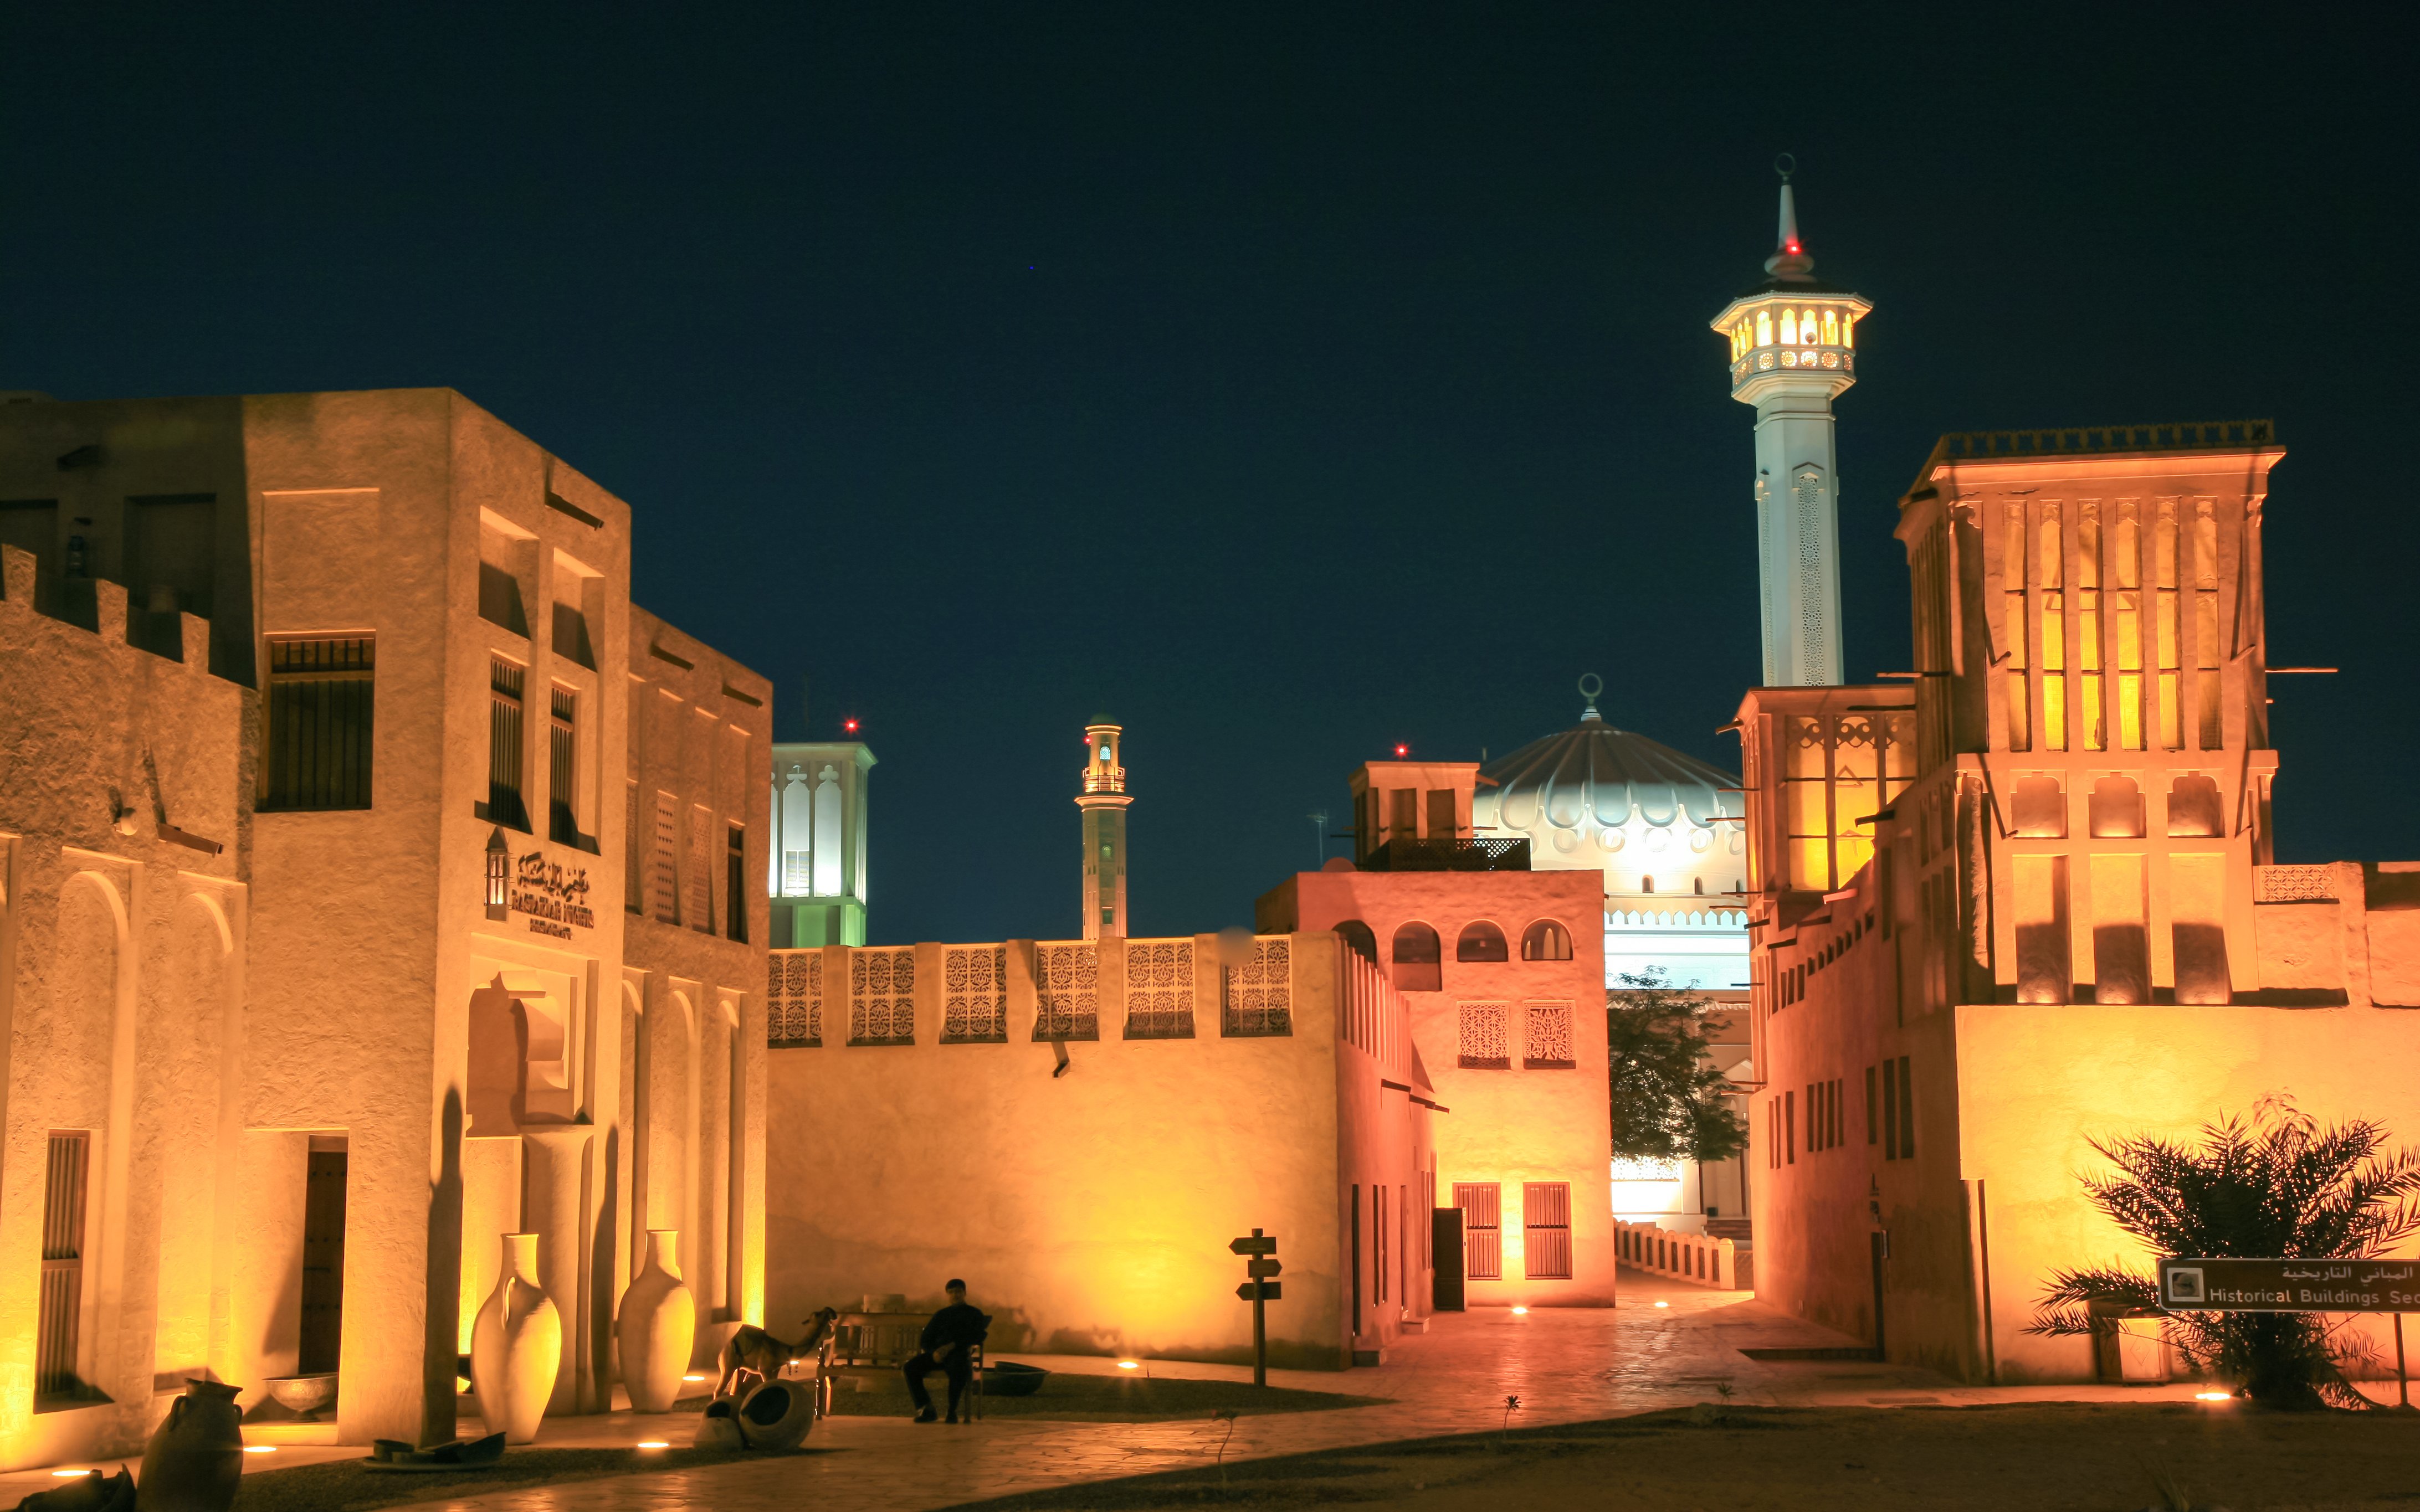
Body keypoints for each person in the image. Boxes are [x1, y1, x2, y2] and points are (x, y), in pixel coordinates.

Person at [903, 1278, 990, 1423]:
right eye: (951, 1292)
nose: (955, 1295)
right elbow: (926, 1339)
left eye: (958, 1292)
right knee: (910, 1368)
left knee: (958, 1368)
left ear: (965, 1293)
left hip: (958, 1354)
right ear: (948, 1295)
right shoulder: (941, 1315)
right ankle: (927, 1409)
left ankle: (952, 1411)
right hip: (938, 1355)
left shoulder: (973, 1314)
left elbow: (977, 1336)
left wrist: (952, 1346)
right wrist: (934, 1352)